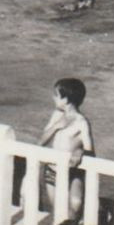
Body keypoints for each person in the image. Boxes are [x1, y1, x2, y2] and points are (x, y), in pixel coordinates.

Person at [39, 78, 94, 217]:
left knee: (76, 204)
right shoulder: (57, 115)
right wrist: (56, 126)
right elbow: (41, 142)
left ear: (67, 99)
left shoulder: (81, 122)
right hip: (52, 170)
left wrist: (79, 151)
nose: (53, 98)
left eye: (56, 95)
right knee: (58, 212)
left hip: (73, 172)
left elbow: (91, 152)